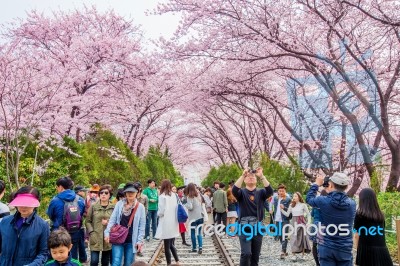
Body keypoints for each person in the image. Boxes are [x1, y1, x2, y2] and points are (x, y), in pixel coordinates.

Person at [306, 172, 356, 266]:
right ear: (346, 187)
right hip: (345, 247)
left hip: (326, 246)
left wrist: (316, 184)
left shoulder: (322, 201)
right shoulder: (352, 204)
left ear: (331, 184)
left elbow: (309, 198)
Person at [232, 168, 273, 266]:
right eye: (248, 177)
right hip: (244, 227)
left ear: (256, 180)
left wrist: (261, 176)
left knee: (255, 256)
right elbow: (234, 190)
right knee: (246, 254)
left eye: (253, 176)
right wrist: (242, 175)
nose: (251, 178)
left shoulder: (261, 192)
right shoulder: (241, 193)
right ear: (245, 180)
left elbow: (270, 191)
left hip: (258, 227)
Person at [0, 186, 49, 265]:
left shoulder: (42, 225)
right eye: (21, 202)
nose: (23, 207)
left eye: (28, 203)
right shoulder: (5, 222)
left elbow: (44, 253)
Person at [104, 182, 146, 266]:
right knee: (116, 262)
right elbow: (112, 219)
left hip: (131, 240)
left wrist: (139, 241)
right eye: (128, 192)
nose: (130, 194)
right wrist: (107, 233)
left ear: (136, 193)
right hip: (118, 238)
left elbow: (142, 226)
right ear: (125, 193)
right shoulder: (119, 204)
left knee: (129, 263)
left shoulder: (140, 207)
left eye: (132, 192)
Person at [47, 176, 86, 262]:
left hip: (58, 235)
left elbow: (50, 215)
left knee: (57, 257)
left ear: (60, 187)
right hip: (75, 232)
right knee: (72, 258)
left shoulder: (55, 200)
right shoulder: (80, 199)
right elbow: (82, 213)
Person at [353, 188, 393, 266]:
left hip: (366, 251)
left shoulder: (359, 214)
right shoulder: (381, 215)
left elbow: (356, 235)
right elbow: (381, 232)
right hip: (382, 251)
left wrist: (358, 250)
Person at [86, 185, 115, 266]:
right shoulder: (93, 206)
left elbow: (117, 222)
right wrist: (91, 232)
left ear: (110, 195)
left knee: (105, 262)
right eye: (101, 193)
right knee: (94, 261)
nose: (103, 194)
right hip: (95, 236)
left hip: (108, 238)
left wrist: (108, 222)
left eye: (106, 193)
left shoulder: (113, 207)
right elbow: (87, 221)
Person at [154, 180, 180, 266]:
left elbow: (161, 211)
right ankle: (177, 261)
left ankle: (169, 263)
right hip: (174, 222)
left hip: (166, 222)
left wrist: (158, 214)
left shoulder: (162, 196)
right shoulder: (174, 195)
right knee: (171, 244)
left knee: (167, 246)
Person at [280, 192, 311, 259]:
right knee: (293, 239)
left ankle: (303, 255)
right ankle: (294, 255)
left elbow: (308, 214)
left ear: (299, 197)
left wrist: (308, 222)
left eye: (296, 196)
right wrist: (281, 209)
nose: (294, 197)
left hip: (302, 222)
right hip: (293, 223)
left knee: (302, 238)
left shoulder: (303, 205)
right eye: (293, 196)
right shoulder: (291, 205)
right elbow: (287, 214)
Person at [185, 183, 205, 254]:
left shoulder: (189, 196)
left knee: (193, 233)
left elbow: (190, 207)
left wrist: (185, 205)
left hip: (193, 218)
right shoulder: (199, 195)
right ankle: (200, 247)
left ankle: (194, 248)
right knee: (199, 233)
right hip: (200, 217)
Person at [310, 189, 327, 266]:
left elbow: (312, 214)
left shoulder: (316, 204)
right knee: (323, 245)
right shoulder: (328, 204)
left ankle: (317, 263)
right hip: (324, 226)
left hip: (315, 225)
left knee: (314, 245)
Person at [74, 185, 89, 263]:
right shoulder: (81, 200)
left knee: (75, 244)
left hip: (71, 226)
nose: (84, 192)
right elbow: (84, 212)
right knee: (80, 242)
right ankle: (83, 258)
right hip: (79, 225)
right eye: (83, 191)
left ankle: (76, 260)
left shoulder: (71, 198)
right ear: (79, 192)